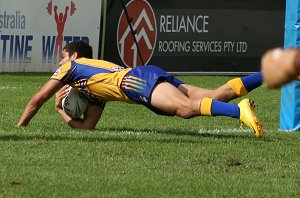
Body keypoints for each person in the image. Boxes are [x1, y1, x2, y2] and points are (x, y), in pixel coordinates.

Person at [18, 40, 264, 138]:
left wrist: (20, 128)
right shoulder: (91, 87)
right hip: (142, 76)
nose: (59, 63)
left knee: (186, 109)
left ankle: (239, 112)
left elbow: (37, 99)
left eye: (62, 57)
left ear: (73, 56)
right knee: (215, 95)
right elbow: (87, 127)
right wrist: (61, 110)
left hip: (136, 82)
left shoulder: (71, 67)